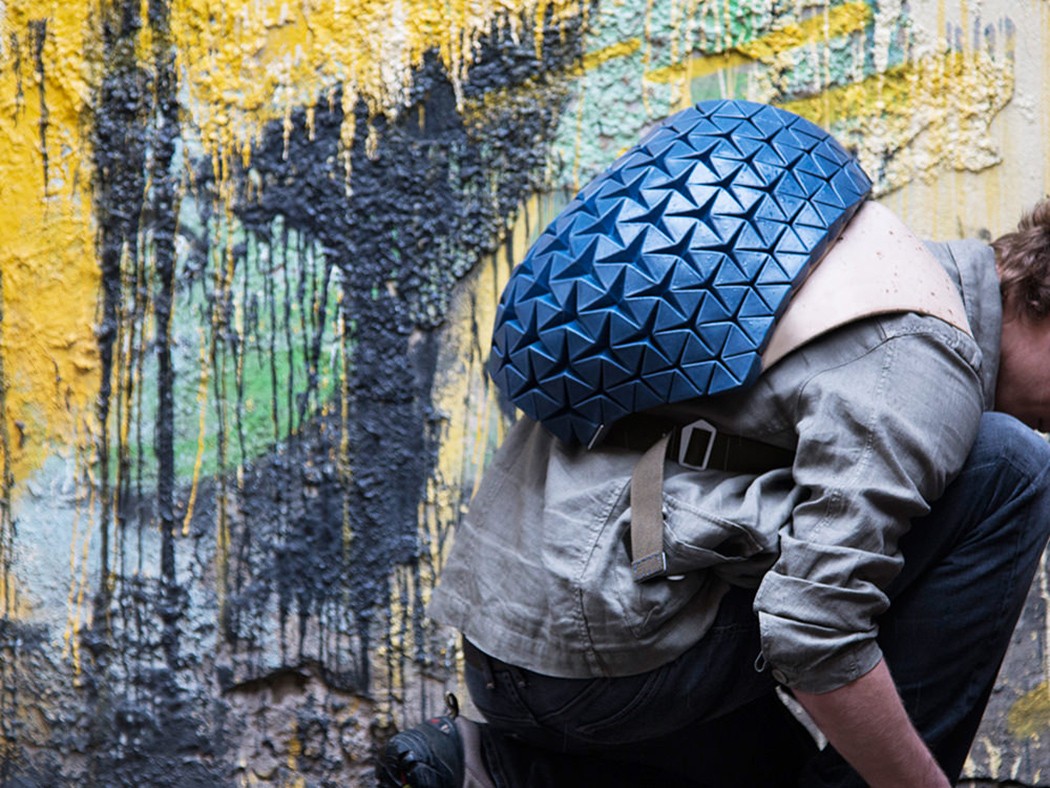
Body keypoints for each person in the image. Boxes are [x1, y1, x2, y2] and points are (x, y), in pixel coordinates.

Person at [377, 177, 1050, 786]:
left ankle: (495, 769)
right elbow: (813, 628)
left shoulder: (877, 264)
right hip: (599, 664)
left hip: (511, 648)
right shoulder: (927, 361)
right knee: (1011, 470)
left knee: (785, 768)